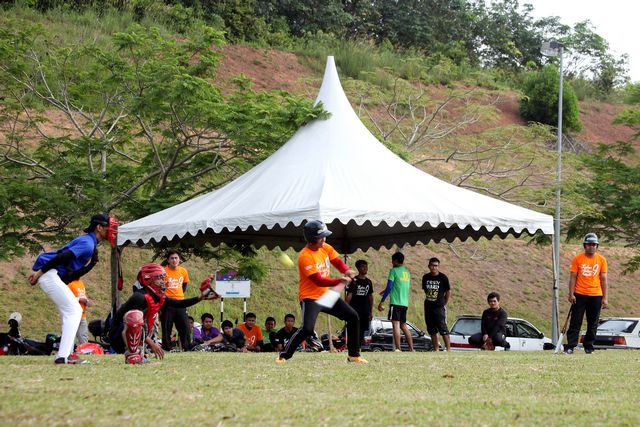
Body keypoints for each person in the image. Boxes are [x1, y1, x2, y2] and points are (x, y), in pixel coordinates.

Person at [28, 213, 118, 365]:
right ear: (99, 227)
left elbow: (70, 275)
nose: (112, 230)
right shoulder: (88, 244)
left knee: (70, 312)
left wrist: (91, 265)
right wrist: (39, 274)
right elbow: (61, 257)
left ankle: (66, 354)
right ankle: (64, 356)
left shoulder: (90, 243)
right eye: (109, 227)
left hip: (52, 274)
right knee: (74, 311)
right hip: (48, 273)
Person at [276, 221, 367, 364]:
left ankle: (353, 355)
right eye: (322, 237)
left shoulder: (325, 247)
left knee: (353, 317)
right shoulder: (305, 256)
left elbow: (336, 261)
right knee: (307, 329)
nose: (324, 239)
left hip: (326, 295)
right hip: (310, 298)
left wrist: (346, 270)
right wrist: (340, 281)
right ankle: (283, 356)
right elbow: (318, 280)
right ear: (313, 239)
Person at [108, 264, 218, 364]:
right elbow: (132, 322)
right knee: (135, 316)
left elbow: (180, 303)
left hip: (136, 336)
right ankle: (132, 356)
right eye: (159, 278)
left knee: (143, 321)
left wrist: (201, 297)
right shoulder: (139, 297)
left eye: (162, 278)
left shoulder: (158, 297)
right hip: (118, 336)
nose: (162, 281)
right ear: (148, 280)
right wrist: (152, 344)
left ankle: (138, 353)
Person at [565, 233, 609, 354]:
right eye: (589, 244)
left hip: (596, 295)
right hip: (579, 294)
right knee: (575, 321)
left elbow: (604, 279)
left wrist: (605, 298)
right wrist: (571, 293)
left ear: (597, 246)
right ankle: (571, 346)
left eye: (594, 244)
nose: (591, 247)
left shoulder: (601, 260)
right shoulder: (577, 258)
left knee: (593, 322)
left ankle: (589, 346)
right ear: (585, 246)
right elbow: (573, 277)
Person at [377, 252, 413, 352]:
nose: (392, 263)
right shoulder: (407, 272)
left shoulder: (393, 271)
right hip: (404, 303)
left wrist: (382, 301)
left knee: (395, 325)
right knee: (403, 325)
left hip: (395, 303)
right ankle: (411, 348)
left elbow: (390, 286)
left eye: (392, 261)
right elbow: (399, 285)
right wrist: (384, 291)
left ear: (396, 261)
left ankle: (398, 348)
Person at [161, 249, 191, 351]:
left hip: (180, 302)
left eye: (176, 258)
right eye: (172, 258)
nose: (174, 260)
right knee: (166, 327)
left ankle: (187, 347)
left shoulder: (183, 271)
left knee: (185, 326)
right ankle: (167, 348)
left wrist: (178, 295)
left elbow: (184, 286)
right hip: (168, 303)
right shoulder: (163, 272)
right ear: (168, 260)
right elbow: (160, 288)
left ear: (179, 259)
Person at [421, 257, 451, 351]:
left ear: (438, 266)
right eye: (432, 265)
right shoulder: (425, 277)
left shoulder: (443, 277)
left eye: (436, 266)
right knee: (431, 329)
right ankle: (436, 349)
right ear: (429, 266)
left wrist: (444, 302)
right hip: (428, 306)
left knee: (443, 328)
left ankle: (448, 349)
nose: (434, 267)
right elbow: (425, 290)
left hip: (439, 307)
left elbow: (448, 291)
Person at [345, 260, 374, 345]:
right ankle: (352, 346)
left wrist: (371, 311)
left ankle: (359, 347)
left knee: (362, 330)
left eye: (366, 266)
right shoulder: (354, 281)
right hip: (354, 310)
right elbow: (349, 295)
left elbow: (370, 297)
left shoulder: (369, 282)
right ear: (358, 268)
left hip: (365, 311)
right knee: (353, 329)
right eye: (362, 266)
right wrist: (345, 308)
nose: (365, 268)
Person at [67, 280, 91, 345]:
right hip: (73, 315)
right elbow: (66, 298)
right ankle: (69, 350)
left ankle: (85, 350)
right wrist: (79, 299)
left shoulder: (81, 283)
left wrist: (87, 302)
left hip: (82, 315)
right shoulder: (69, 283)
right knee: (70, 336)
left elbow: (83, 297)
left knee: (84, 336)